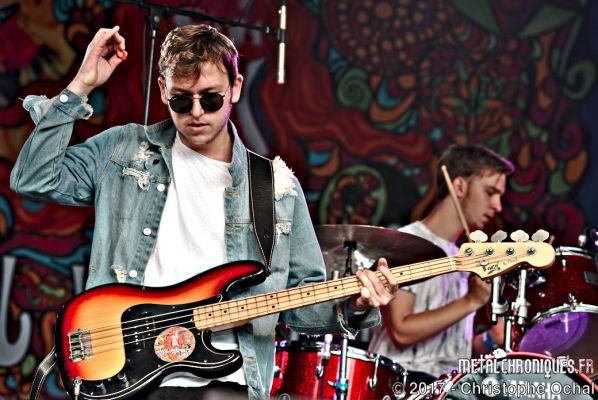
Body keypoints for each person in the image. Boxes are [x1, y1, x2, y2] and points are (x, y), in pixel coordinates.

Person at [10, 25, 398, 399]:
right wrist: (81, 85)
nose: (196, 112)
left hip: (228, 382)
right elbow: (34, 177)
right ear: (163, 90)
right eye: (182, 100)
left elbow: (300, 304)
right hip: (123, 377)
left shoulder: (275, 187)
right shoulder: (123, 150)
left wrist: (357, 304)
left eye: (210, 99)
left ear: (236, 88)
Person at [368, 144, 515, 378]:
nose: (497, 205)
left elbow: (446, 351)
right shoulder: (407, 244)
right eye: (490, 192)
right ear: (459, 186)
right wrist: (470, 301)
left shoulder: (462, 256)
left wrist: (490, 339)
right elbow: (401, 332)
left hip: (447, 387)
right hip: (400, 383)